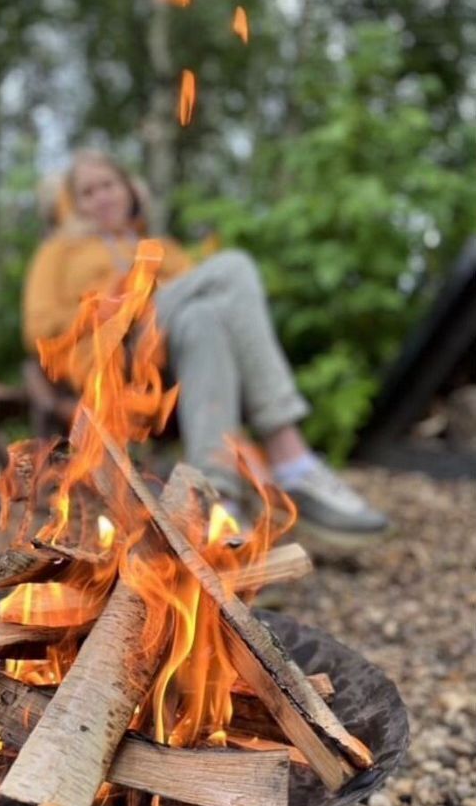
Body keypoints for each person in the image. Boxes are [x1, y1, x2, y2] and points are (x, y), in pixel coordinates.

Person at [23, 149, 388, 544]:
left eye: (108, 185)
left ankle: (216, 500)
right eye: (87, 192)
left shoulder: (161, 246)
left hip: (170, 368)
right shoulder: (58, 253)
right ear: (73, 205)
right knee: (232, 268)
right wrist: (107, 307)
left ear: (128, 188)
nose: (101, 197)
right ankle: (291, 455)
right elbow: (39, 330)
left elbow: (216, 305)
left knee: (205, 320)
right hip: (112, 359)